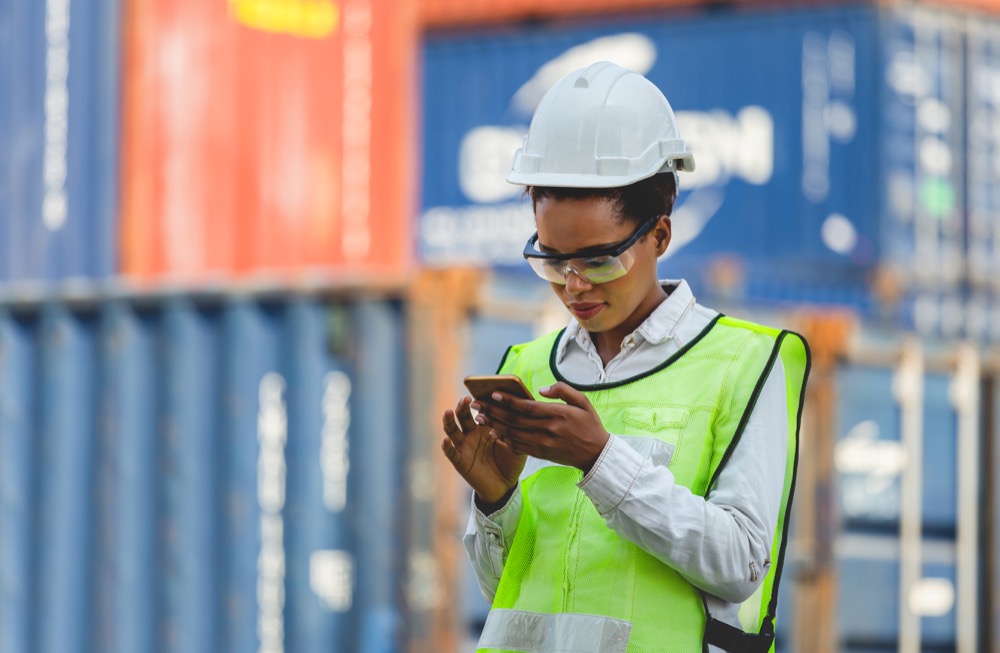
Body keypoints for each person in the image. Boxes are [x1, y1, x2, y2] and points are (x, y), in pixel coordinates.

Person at [440, 61, 810, 653]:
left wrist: (600, 459)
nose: (575, 284)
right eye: (553, 260)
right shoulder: (528, 368)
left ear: (659, 236)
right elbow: (504, 591)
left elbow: (741, 564)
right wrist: (496, 499)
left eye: (599, 259)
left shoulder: (742, 363)